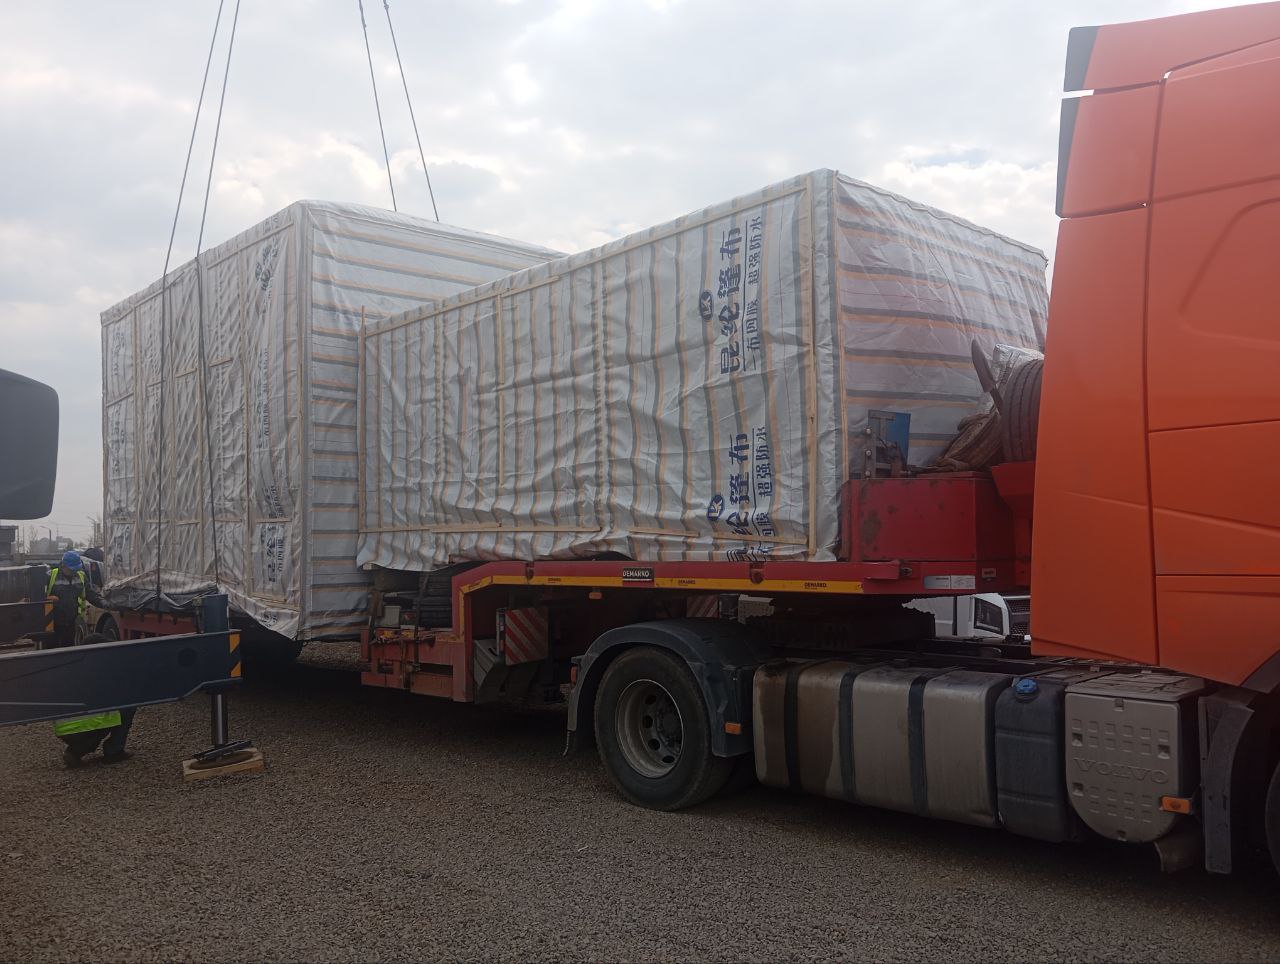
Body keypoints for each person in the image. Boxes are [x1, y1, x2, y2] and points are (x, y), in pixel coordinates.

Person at [46, 551, 135, 767]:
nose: (74, 572)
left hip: (70, 622)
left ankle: (76, 749)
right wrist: (46, 600)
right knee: (128, 705)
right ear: (63, 565)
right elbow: (33, 596)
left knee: (63, 661)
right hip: (52, 623)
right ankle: (110, 750)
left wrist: (108, 605)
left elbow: (91, 596)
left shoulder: (80, 577)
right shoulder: (51, 575)